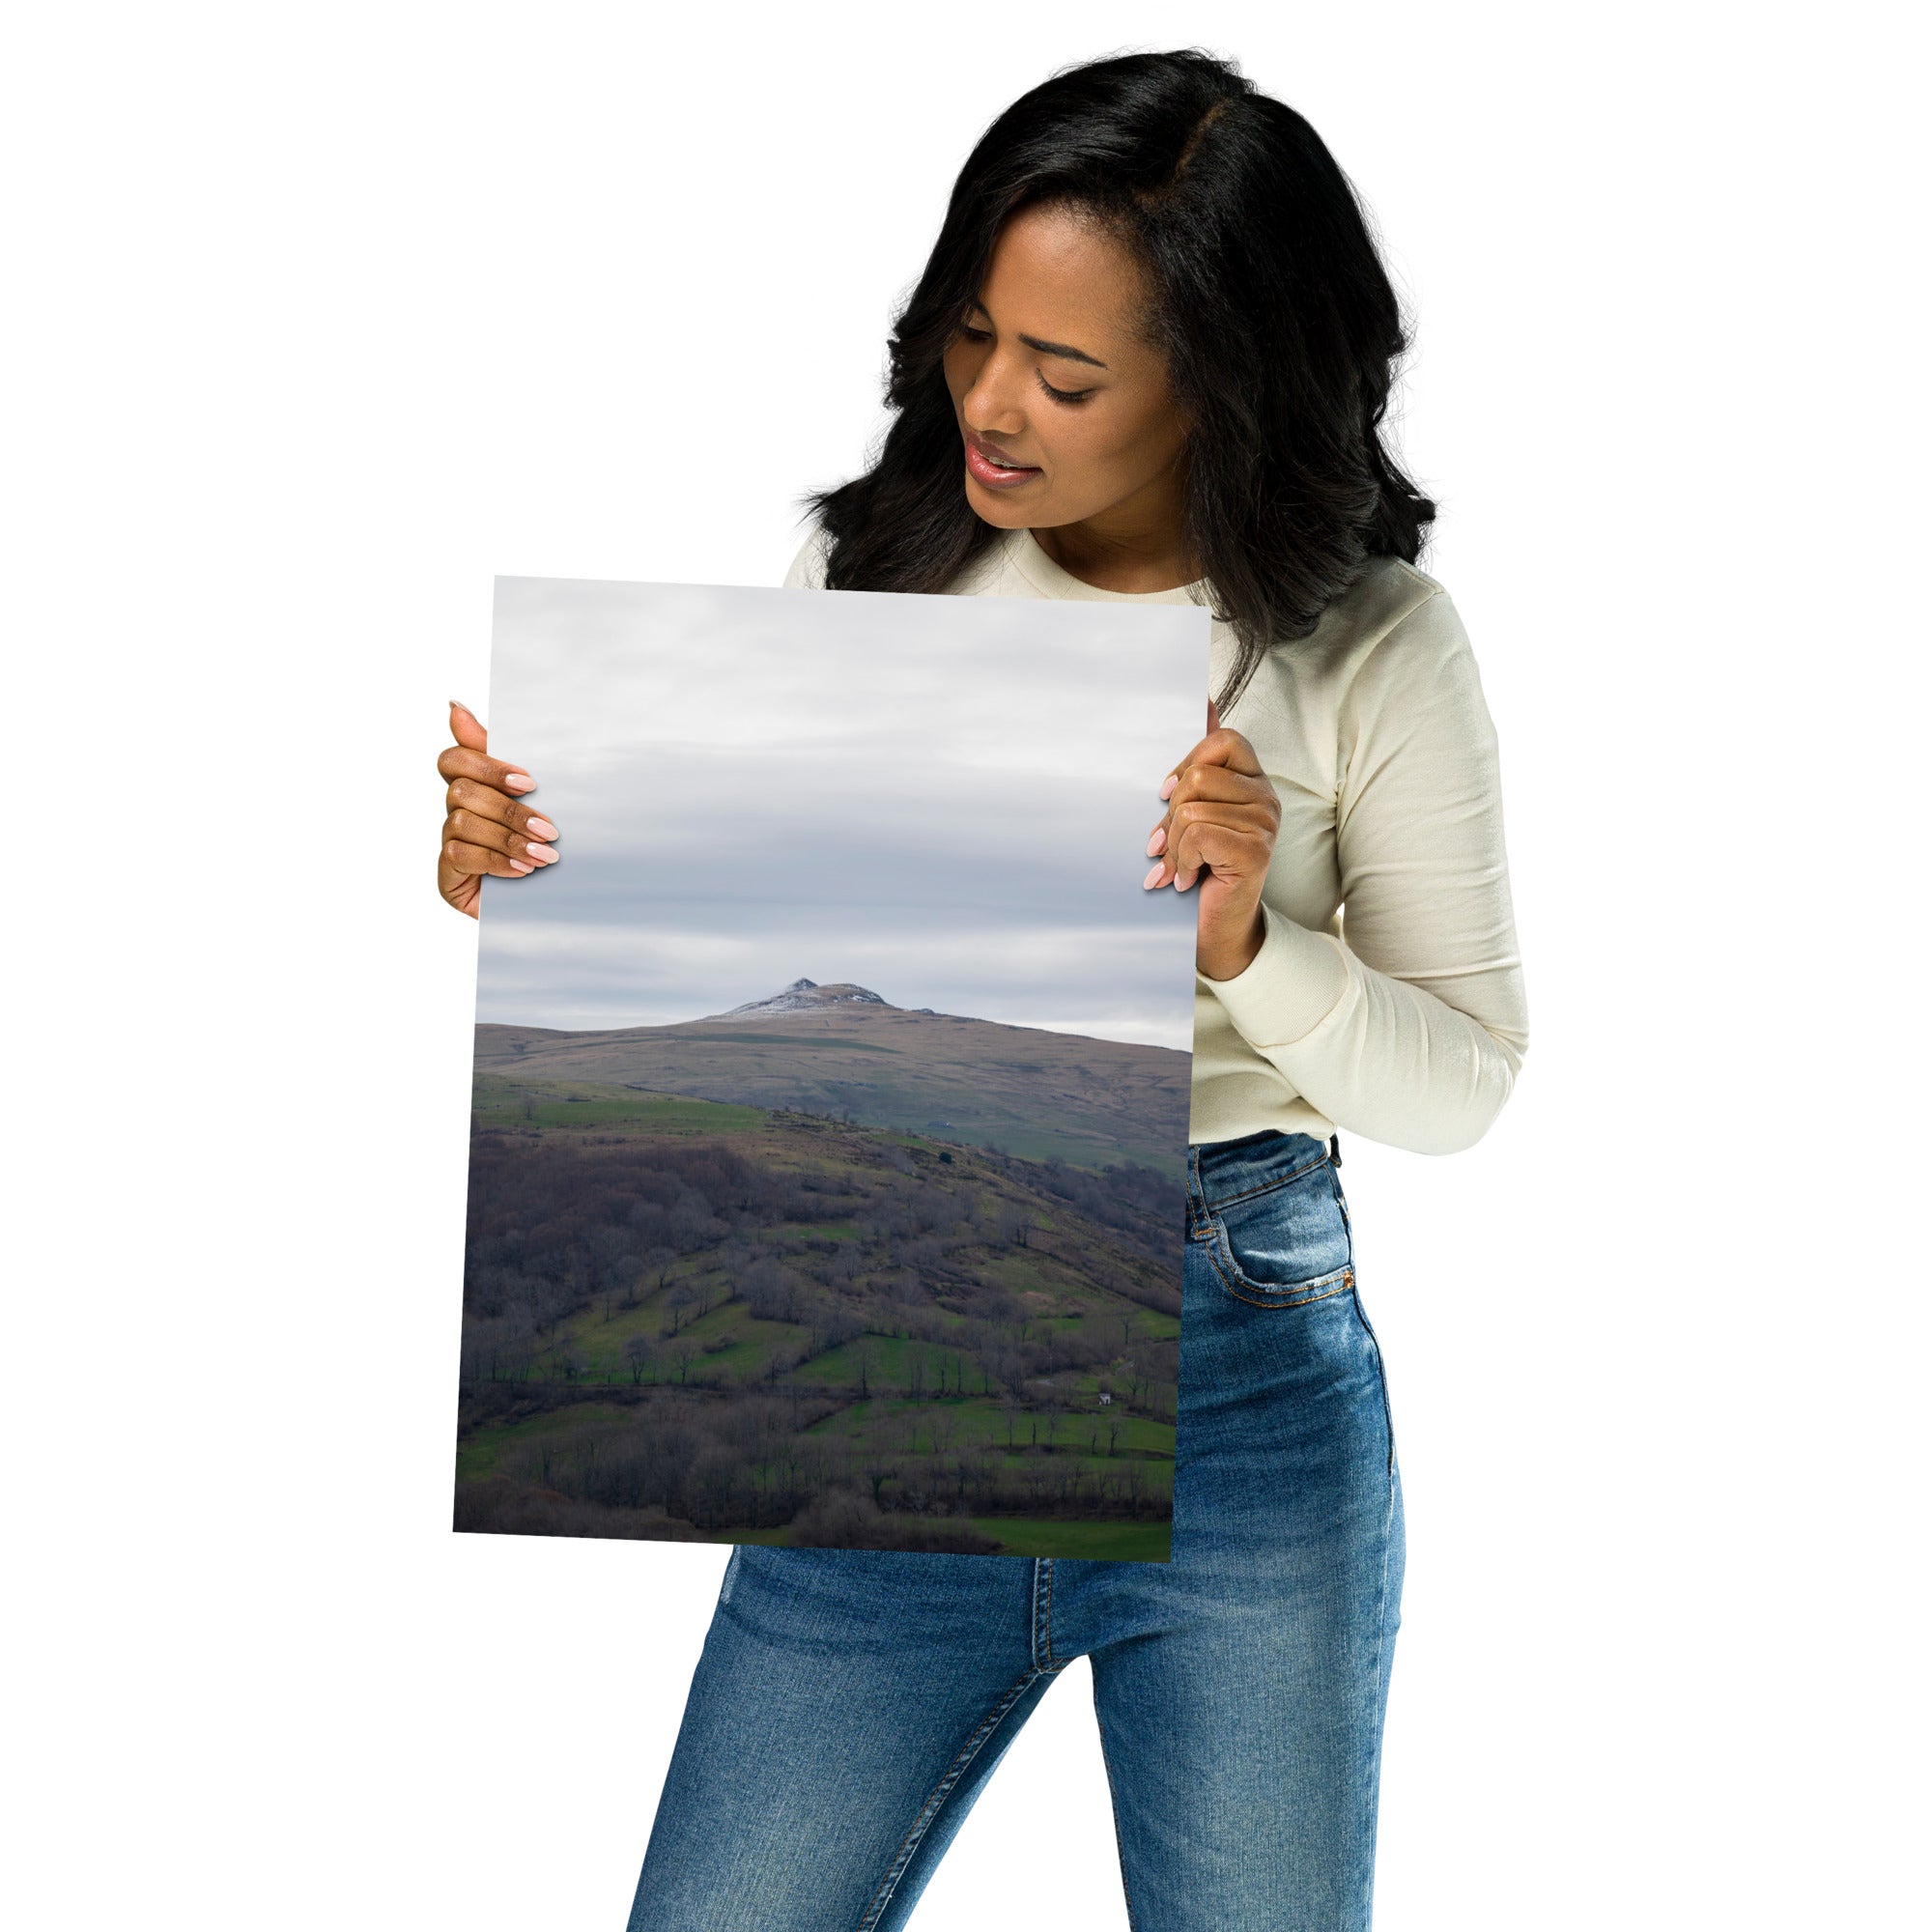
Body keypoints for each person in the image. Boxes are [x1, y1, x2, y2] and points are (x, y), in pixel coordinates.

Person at [437, 49, 1528, 1932]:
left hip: (1244, 1391)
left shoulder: (1369, 643)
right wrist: (519, 881)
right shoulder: (871, 571)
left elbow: (1463, 1087)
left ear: (1223, 385)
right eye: (970, 335)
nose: (990, 403)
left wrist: (1246, 944)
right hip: (891, 1392)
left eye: (1068, 371)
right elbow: (744, 967)